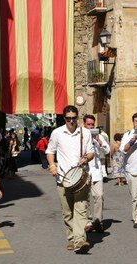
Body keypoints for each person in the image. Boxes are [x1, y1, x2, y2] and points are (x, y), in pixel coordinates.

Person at [46, 105, 94, 253]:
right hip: (63, 178)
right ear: (64, 118)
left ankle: (80, 240)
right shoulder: (57, 133)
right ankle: (72, 239)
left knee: (81, 209)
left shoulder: (85, 133)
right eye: (68, 119)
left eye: (74, 118)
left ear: (77, 117)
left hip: (81, 178)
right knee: (68, 212)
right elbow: (50, 151)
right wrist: (52, 165)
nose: (71, 121)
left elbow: (91, 152)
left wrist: (85, 158)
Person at [83, 115, 110, 233]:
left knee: (99, 196)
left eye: (92, 124)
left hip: (96, 171)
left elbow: (107, 151)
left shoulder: (98, 137)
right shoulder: (80, 136)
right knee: (84, 198)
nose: (90, 127)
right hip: (84, 171)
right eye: (88, 124)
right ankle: (87, 221)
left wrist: (99, 140)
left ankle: (98, 220)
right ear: (84, 124)